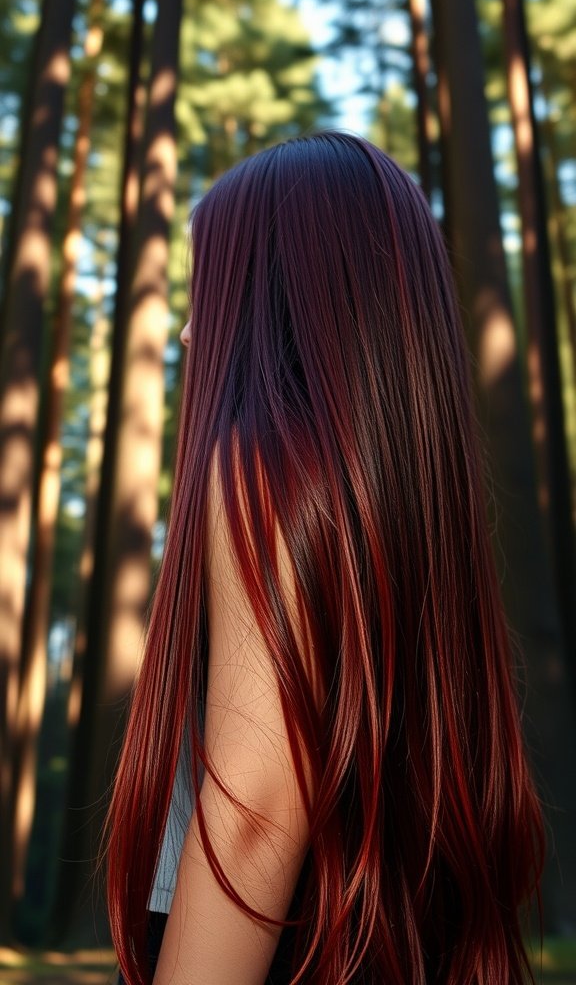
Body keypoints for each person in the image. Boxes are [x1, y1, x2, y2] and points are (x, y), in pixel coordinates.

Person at [106, 131, 544, 985]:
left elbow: (254, 813)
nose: (192, 332)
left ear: (275, 299)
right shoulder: (406, 513)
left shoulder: (260, 472)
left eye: (214, 288)